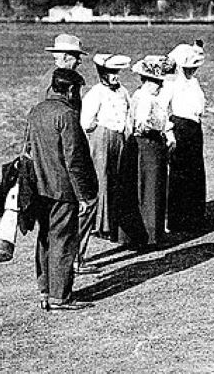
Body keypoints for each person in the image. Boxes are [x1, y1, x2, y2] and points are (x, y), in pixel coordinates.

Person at [27, 68, 98, 311]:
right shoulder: (67, 115)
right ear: (70, 90)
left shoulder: (36, 111)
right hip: (62, 190)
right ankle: (61, 296)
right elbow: (75, 160)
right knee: (64, 241)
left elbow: (28, 150)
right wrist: (86, 195)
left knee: (45, 239)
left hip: (38, 187)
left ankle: (46, 290)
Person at [77, 54, 131, 271]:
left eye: (117, 73)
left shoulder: (123, 91)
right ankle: (98, 225)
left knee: (117, 181)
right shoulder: (96, 93)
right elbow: (86, 122)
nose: (115, 77)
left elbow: (128, 114)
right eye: (111, 73)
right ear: (101, 74)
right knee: (101, 180)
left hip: (119, 138)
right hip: (102, 137)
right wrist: (101, 133)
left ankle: (111, 226)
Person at [120, 56, 175, 247]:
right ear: (146, 80)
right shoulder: (143, 98)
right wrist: (155, 131)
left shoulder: (149, 97)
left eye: (160, 82)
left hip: (151, 144)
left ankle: (152, 232)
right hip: (147, 144)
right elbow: (141, 124)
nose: (159, 86)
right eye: (155, 82)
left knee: (153, 187)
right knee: (150, 188)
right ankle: (151, 235)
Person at [166, 43, 207, 232]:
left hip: (194, 128)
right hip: (179, 128)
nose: (193, 70)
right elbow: (162, 109)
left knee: (196, 171)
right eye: (189, 67)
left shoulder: (194, 82)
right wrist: (169, 131)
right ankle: (178, 219)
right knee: (180, 173)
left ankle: (195, 217)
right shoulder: (171, 82)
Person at [41, 34, 87, 108]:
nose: (79, 61)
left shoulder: (52, 77)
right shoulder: (57, 81)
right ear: (65, 57)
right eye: (77, 57)